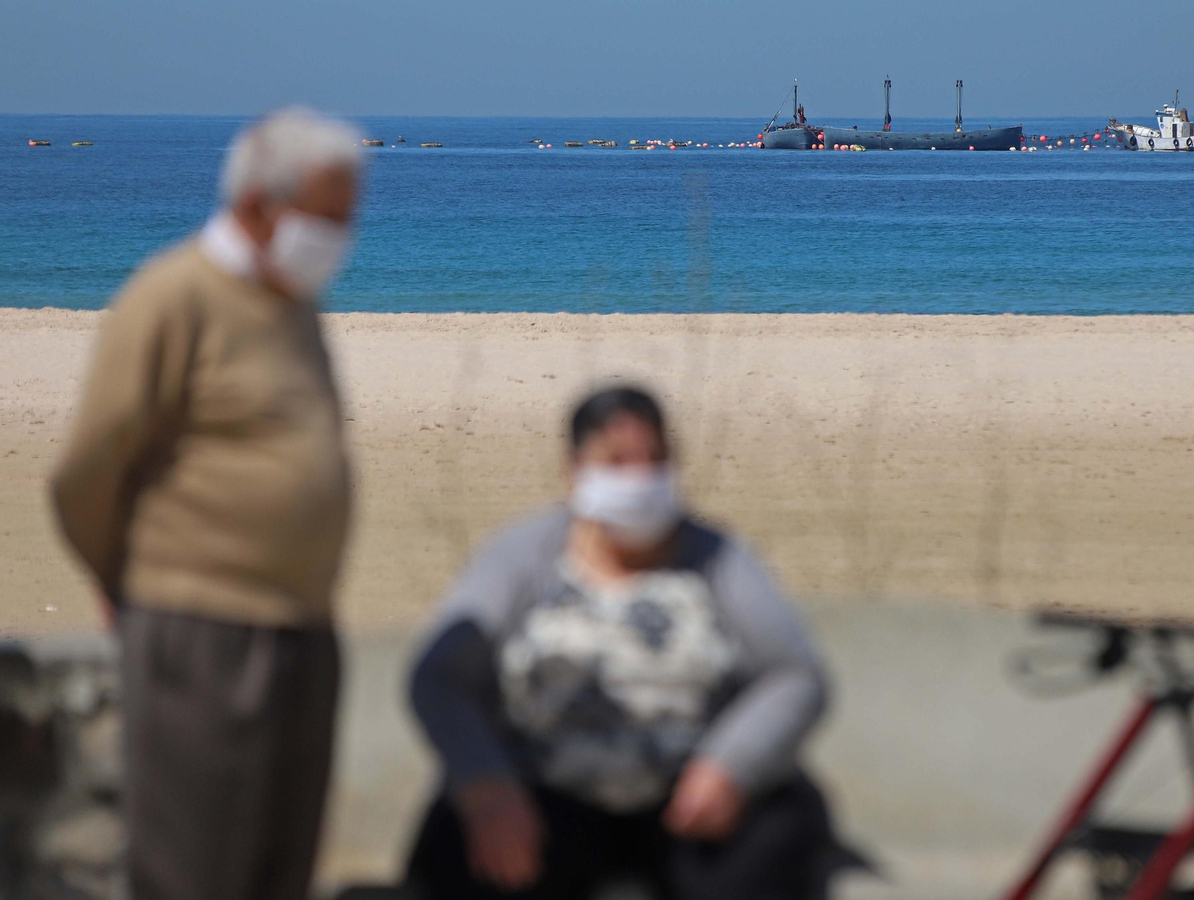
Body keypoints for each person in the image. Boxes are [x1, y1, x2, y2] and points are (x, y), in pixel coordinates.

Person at [49, 107, 363, 900]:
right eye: (328, 216)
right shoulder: (173, 296)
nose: (340, 236)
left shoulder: (293, 305)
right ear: (259, 205)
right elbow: (87, 471)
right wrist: (133, 581)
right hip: (201, 631)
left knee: (279, 869)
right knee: (196, 874)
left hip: (303, 627)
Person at [405, 386, 852, 900]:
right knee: (455, 856)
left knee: (781, 841)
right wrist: (483, 782)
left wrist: (733, 765)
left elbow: (794, 673)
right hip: (542, 793)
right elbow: (438, 677)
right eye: (617, 462)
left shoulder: (718, 557)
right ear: (574, 469)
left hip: (690, 799)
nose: (639, 479)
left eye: (654, 460)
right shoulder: (521, 555)